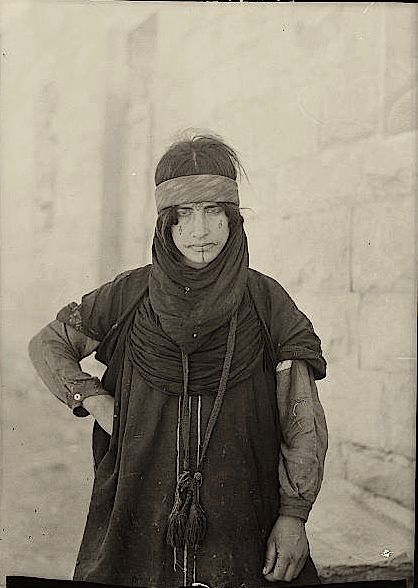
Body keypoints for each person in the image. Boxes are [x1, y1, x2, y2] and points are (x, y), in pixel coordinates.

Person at [29, 133, 328, 588]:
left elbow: (301, 419)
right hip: (136, 513)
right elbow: (49, 343)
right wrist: (94, 399)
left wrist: (294, 515)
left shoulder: (267, 303)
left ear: (233, 220)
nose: (199, 232)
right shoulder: (128, 296)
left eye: (213, 213)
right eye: (182, 216)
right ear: (164, 226)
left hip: (242, 522)